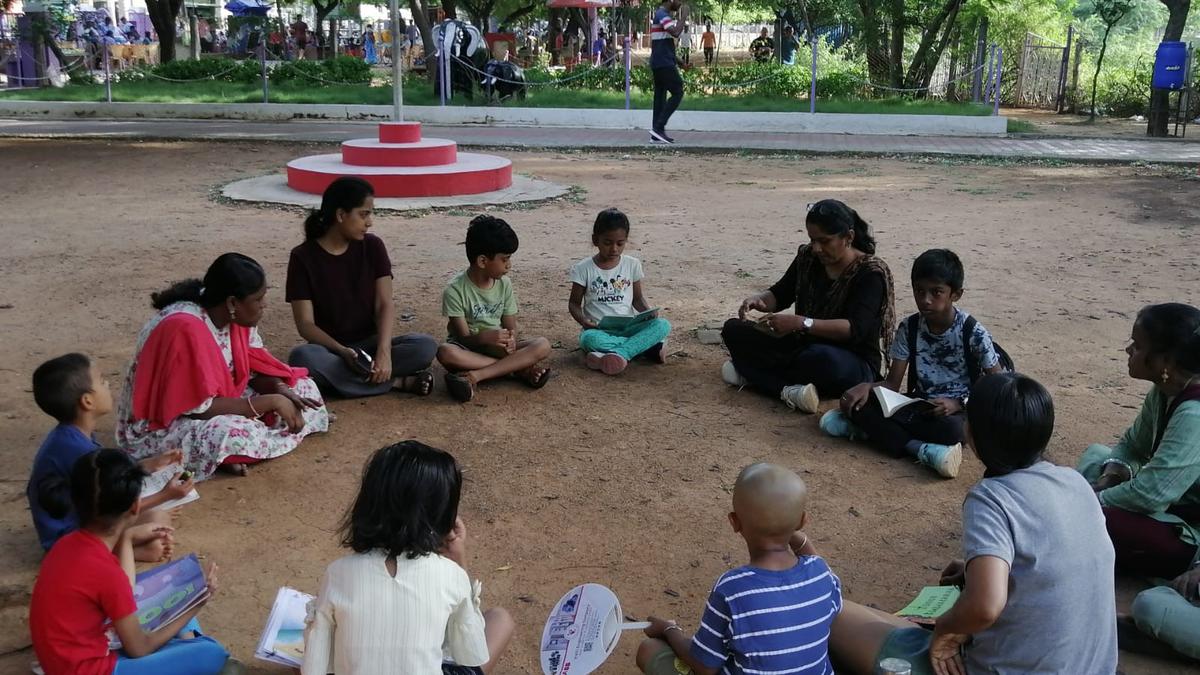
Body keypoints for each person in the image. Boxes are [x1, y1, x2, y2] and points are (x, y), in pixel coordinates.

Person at [829, 373, 1118, 675]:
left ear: (974, 434)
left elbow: (985, 606)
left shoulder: (992, 497)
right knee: (890, 622)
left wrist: (945, 633)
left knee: (834, 614)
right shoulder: (1075, 482)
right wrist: (974, 568)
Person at [303, 440, 514, 675]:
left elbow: (314, 668)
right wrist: (458, 562)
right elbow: (470, 653)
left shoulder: (338, 573)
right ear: (446, 516)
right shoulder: (451, 575)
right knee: (500, 619)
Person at [116, 253, 329, 481]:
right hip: (166, 423)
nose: (263, 305)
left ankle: (238, 451)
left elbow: (251, 371)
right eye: (258, 299)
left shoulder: (235, 317)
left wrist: (280, 390)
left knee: (304, 388)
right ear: (232, 303)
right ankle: (227, 452)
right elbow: (199, 408)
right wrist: (272, 402)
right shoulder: (185, 329)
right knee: (228, 434)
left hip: (221, 398)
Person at [29, 448, 232, 675]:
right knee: (211, 653)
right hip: (96, 668)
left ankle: (185, 642)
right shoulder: (106, 571)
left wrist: (128, 537)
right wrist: (198, 601)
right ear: (136, 506)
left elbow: (122, 591)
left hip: (65, 659)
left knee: (172, 598)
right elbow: (139, 648)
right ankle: (189, 643)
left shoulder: (67, 544)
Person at [635, 463, 841, 675]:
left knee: (650, 650)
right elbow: (815, 562)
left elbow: (705, 666)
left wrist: (669, 631)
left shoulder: (733, 589)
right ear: (802, 521)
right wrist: (788, 529)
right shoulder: (821, 574)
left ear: (734, 522)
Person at [820, 249, 1003, 479]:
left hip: (957, 413)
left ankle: (874, 433)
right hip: (920, 406)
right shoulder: (910, 328)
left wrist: (959, 403)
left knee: (953, 430)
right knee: (861, 406)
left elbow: (998, 385)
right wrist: (867, 387)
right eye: (919, 291)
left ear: (955, 294)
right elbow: (893, 384)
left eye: (936, 292)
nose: (925, 300)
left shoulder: (973, 332)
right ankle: (922, 449)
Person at [721, 199, 895, 414]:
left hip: (850, 361)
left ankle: (754, 376)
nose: (817, 248)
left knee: (820, 359)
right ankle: (785, 387)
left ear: (848, 237)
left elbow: (854, 330)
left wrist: (801, 323)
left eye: (824, 241)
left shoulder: (870, 274)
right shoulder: (808, 258)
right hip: (803, 345)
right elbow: (781, 294)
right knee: (733, 329)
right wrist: (760, 300)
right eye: (813, 240)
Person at [27, 353, 193, 561]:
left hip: (78, 522)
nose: (108, 384)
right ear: (87, 401)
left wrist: (149, 465)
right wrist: (166, 496)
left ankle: (125, 543)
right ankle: (124, 550)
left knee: (158, 517)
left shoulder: (70, 436)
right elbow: (115, 502)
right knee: (158, 520)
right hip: (68, 539)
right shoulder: (78, 450)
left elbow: (109, 478)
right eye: (102, 381)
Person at [1078, 302, 1200, 579]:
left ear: (1166, 362)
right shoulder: (1164, 390)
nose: (1129, 350)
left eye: (1138, 345)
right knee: (1097, 455)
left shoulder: (1194, 414)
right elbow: (1133, 446)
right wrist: (1110, 476)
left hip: (1188, 526)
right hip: (1166, 504)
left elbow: (1151, 494)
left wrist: (1092, 499)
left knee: (1094, 517)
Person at [286, 177, 437, 400]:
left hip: (371, 346)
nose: (370, 222)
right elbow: (305, 325)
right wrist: (342, 351)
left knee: (425, 346)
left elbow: (384, 304)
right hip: (331, 350)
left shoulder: (373, 246)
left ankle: (343, 381)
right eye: (364, 214)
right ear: (340, 215)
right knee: (302, 357)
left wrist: (384, 352)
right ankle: (398, 382)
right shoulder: (302, 257)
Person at [436, 215, 552, 403]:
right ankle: (519, 369)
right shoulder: (455, 290)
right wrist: (484, 337)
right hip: (468, 351)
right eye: (504, 259)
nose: (509, 265)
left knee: (543, 344)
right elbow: (463, 338)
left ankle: (476, 376)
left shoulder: (504, 284)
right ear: (483, 261)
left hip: (498, 350)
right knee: (445, 352)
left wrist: (512, 340)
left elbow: (510, 327)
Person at [568, 208, 671, 376]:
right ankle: (642, 348)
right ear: (596, 240)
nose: (614, 249)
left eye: (620, 243)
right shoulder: (583, 269)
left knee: (663, 325)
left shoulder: (632, 264)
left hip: (629, 326)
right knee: (588, 339)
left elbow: (637, 299)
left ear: (626, 241)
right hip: (599, 329)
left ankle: (617, 354)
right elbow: (573, 304)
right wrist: (584, 321)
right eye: (607, 243)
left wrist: (647, 312)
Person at [648, 0, 685, 144]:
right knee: (678, 91)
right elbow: (675, 32)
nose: (680, 3)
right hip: (663, 63)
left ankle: (656, 134)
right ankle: (658, 127)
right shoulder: (662, 14)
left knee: (660, 97)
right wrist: (684, 17)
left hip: (660, 61)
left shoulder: (661, 15)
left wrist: (680, 62)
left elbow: (663, 44)